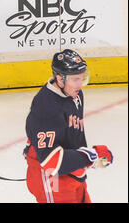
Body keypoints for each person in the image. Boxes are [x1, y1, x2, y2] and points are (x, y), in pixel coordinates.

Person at [24, 49, 114, 203]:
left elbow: (70, 135)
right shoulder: (46, 107)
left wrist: (88, 159)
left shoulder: (75, 93)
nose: (80, 84)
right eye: (75, 79)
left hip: (72, 173)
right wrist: (88, 156)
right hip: (52, 181)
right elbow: (52, 163)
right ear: (60, 79)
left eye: (82, 78)